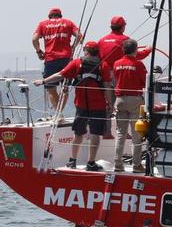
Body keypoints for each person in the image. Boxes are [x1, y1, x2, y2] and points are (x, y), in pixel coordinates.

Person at [34, 40, 111, 170]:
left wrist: (43, 81)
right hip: (98, 105)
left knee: (78, 133)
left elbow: (59, 75)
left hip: (81, 104)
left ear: (86, 51)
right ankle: (91, 163)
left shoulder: (76, 63)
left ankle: (73, 160)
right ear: (97, 52)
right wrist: (110, 103)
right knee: (95, 134)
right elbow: (107, 86)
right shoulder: (103, 65)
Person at [31, 7, 83, 114]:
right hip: (66, 59)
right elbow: (80, 36)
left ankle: (58, 114)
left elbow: (34, 39)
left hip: (51, 59)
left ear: (50, 16)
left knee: (50, 88)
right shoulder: (68, 23)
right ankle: (59, 113)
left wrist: (39, 51)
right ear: (60, 15)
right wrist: (73, 47)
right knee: (65, 88)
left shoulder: (43, 24)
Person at [112, 39, 147, 173]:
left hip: (120, 100)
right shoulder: (138, 65)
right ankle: (137, 165)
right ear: (135, 49)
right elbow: (144, 82)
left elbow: (115, 78)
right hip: (135, 100)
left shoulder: (116, 63)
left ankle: (117, 164)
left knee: (121, 133)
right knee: (136, 134)